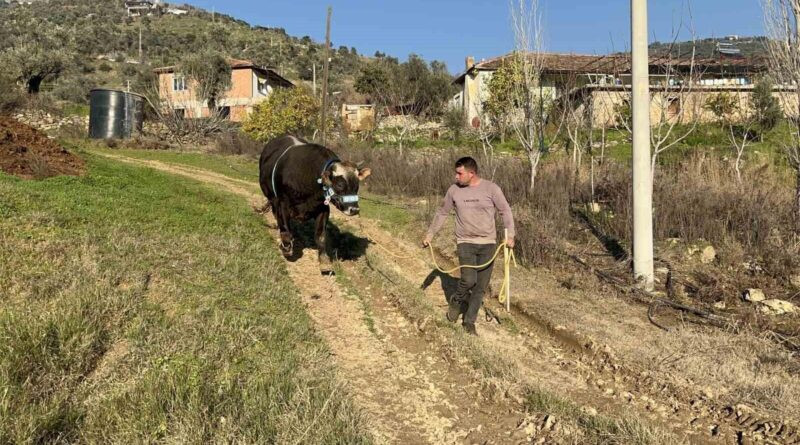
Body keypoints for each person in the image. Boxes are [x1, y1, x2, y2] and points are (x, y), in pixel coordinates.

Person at [423, 157, 515, 335]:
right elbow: (442, 212)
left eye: (460, 173)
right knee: (468, 280)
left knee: (481, 286)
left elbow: (505, 210)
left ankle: (469, 321)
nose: (456, 176)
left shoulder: (491, 189)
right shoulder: (454, 190)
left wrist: (510, 235)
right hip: (465, 242)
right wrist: (430, 234)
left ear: (471, 173)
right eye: (456, 173)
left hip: (488, 244)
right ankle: (456, 301)